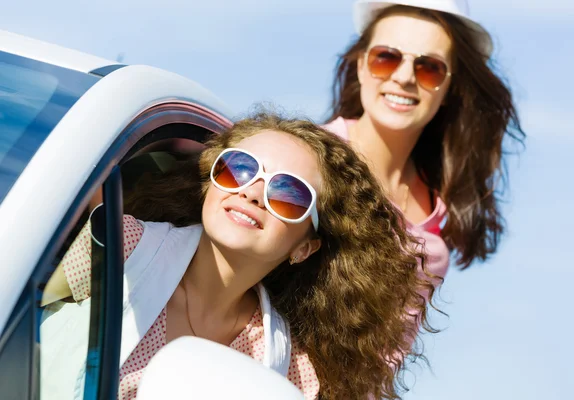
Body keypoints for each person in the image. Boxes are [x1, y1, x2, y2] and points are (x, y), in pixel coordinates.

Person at [41, 112, 434, 400]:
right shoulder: (120, 244)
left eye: (287, 193)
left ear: (305, 247)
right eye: (239, 169)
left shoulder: (287, 368)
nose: (251, 192)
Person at [323, 0, 525, 289]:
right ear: (361, 67)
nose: (404, 78)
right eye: (386, 58)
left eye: (429, 68)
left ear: (450, 89)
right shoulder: (309, 157)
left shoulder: (437, 213)